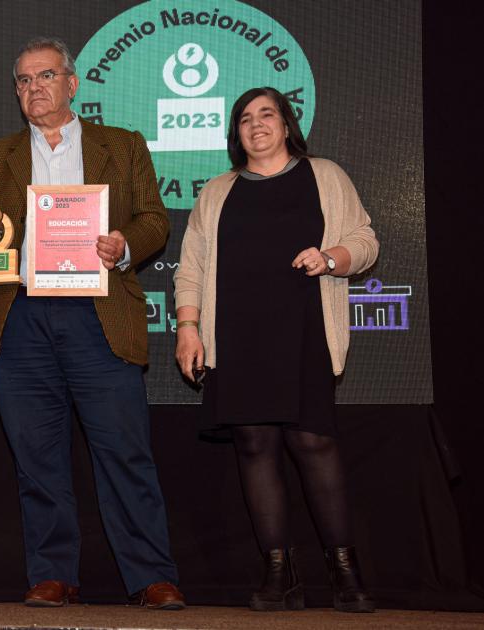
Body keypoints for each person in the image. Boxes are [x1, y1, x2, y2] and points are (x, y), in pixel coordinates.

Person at [0, 37, 184, 609]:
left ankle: (151, 575)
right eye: (24, 81)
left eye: (45, 77)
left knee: (124, 452)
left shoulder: (121, 145)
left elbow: (155, 218)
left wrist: (125, 243)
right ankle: (53, 573)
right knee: (37, 458)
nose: (35, 88)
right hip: (22, 316)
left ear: (71, 84)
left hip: (98, 313)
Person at [173, 87, 380, 613]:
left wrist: (331, 257)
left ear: (287, 125)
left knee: (314, 445)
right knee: (255, 447)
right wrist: (189, 327)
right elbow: (192, 266)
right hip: (236, 337)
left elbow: (365, 240)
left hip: (304, 329)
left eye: (267, 115)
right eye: (245, 118)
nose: (256, 125)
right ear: (235, 133)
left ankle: (345, 572)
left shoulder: (325, 175)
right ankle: (279, 573)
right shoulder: (217, 191)